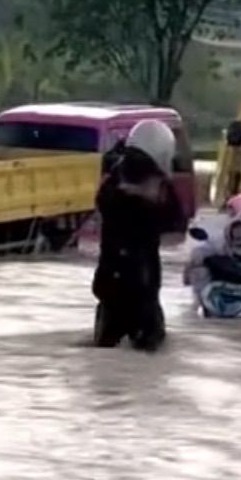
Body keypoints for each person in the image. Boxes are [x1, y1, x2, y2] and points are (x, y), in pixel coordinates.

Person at [92, 119, 184, 351]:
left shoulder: (157, 187)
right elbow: (109, 206)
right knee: (115, 347)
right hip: (120, 280)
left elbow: (175, 222)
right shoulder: (115, 183)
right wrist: (140, 195)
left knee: (144, 346)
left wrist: (152, 195)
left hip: (138, 282)